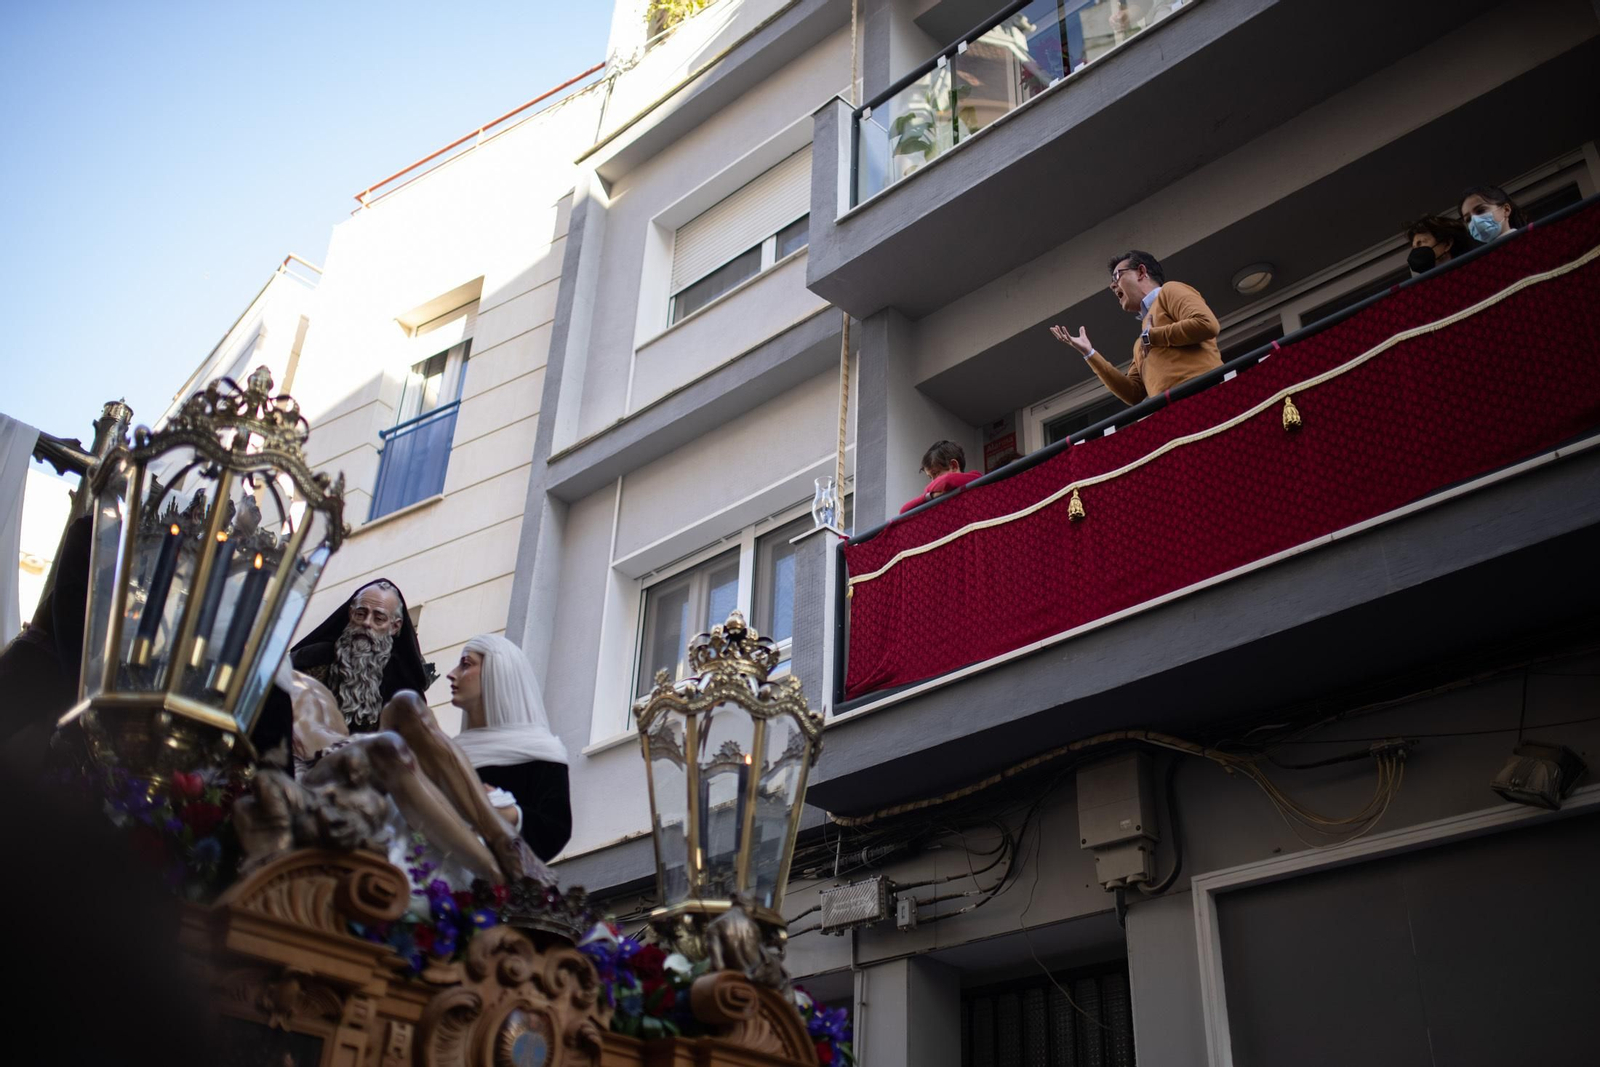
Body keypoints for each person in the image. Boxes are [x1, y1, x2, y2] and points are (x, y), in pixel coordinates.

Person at [445, 634, 572, 862]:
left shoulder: (541, 750)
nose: (452, 674)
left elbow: (555, 830)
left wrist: (509, 813)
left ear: (497, 672)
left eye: (466, 664)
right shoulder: (449, 754)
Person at [1050, 250, 1222, 405]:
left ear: (1141, 272)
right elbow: (1133, 394)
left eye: (1117, 276)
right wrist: (1089, 353)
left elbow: (1206, 324)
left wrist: (1151, 337)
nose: (1112, 285)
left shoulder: (1169, 291)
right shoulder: (1140, 343)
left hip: (1206, 394)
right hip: (1169, 411)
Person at [290, 579, 433, 733]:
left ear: (395, 627)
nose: (367, 623)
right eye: (360, 614)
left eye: (378, 619)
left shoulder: (402, 684)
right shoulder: (311, 659)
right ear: (350, 614)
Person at [900, 440, 983, 514]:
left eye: (935, 473)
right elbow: (903, 510)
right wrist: (931, 496)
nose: (933, 482)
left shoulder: (974, 477)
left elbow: (947, 480)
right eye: (930, 477)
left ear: (954, 466)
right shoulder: (936, 496)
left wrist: (928, 491)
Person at [1459, 185, 1528, 247]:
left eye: (1480, 211)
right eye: (1468, 219)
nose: (1475, 220)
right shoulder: (1481, 257)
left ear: (1506, 210)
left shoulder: (1529, 242)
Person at [1405, 215, 1471, 275]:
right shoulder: (1426, 284)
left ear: (1447, 244)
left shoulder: (1470, 273)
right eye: (1414, 248)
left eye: (1420, 243)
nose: (1416, 252)